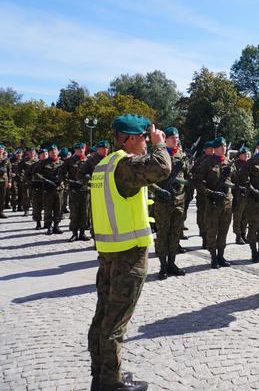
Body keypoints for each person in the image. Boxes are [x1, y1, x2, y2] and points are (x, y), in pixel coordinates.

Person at [88, 114, 170, 391]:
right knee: (115, 323)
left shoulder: (104, 164)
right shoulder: (123, 164)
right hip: (127, 255)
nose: (148, 142)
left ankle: (100, 376)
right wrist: (161, 145)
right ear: (132, 138)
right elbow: (161, 168)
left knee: (103, 318)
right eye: (145, 138)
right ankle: (111, 383)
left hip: (110, 253)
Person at [194, 136, 238, 269]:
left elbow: (235, 181)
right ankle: (213, 256)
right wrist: (210, 193)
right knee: (212, 231)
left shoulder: (230, 163)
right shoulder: (207, 163)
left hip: (226, 203)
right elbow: (198, 182)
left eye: (224, 146)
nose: (223, 148)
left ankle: (221, 256)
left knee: (224, 231)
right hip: (212, 203)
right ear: (215, 148)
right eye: (220, 147)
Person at [151, 127, 189, 278]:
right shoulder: (159, 155)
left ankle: (172, 263)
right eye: (172, 137)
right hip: (163, 202)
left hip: (179, 201)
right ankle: (163, 266)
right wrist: (158, 191)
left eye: (177, 137)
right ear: (165, 139)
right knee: (162, 235)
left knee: (175, 234)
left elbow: (186, 176)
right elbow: (149, 181)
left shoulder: (181, 155)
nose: (175, 140)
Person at [59, 142, 91, 241]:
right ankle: (74, 233)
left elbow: (94, 172)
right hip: (74, 189)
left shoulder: (89, 161)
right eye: (78, 149)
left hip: (85, 189)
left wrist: (88, 179)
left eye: (82, 149)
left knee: (85, 212)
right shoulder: (69, 161)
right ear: (75, 150)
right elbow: (62, 173)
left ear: (85, 149)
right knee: (74, 212)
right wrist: (67, 182)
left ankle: (82, 233)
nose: (80, 150)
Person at [36, 144, 65, 235]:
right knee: (48, 208)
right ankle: (49, 227)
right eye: (51, 151)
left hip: (59, 189)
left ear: (58, 151)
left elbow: (66, 174)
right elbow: (36, 173)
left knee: (58, 208)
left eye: (55, 150)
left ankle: (56, 225)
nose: (53, 152)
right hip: (48, 189)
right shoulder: (43, 163)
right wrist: (45, 180)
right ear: (49, 153)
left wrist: (61, 180)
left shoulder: (62, 163)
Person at [191, 141, 214, 248]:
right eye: (210, 148)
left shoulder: (216, 160)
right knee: (202, 216)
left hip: (213, 194)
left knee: (212, 218)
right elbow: (194, 175)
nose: (212, 149)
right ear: (205, 149)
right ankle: (205, 237)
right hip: (202, 194)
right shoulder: (200, 161)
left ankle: (211, 239)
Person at [232, 146, 250, 245]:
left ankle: (244, 233)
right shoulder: (235, 164)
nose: (245, 156)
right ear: (240, 155)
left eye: (247, 154)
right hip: (238, 193)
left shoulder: (249, 164)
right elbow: (233, 179)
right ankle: (238, 235)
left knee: (245, 216)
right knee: (238, 216)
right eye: (243, 154)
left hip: (248, 193)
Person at [30, 148, 47, 228]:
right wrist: (31, 182)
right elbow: (27, 175)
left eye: (46, 154)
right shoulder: (34, 165)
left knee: (48, 206)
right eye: (43, 154)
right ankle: (38, 222)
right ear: (39, 156)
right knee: (37, 206)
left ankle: (47, 222)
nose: (44, 156)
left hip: (48, 188)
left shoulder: (50, 164)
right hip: (38, 187)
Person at [18, 147, 37, 216]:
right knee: (26, 195)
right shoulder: (24, 161)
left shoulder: (37, 160)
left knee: (35, 195)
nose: (32, 153)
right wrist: (24, 177)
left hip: (35, 181)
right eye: (30, 152)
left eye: (33, 152)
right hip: (27, 181)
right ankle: (26, 209)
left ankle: (35, 210)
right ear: (28, 153)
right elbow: (19, 170)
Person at [0, 144, 11, 219]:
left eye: (2, 149)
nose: (1, 150)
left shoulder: (6, 159)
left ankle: (1, 212)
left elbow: (9, 171)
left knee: (2, 197)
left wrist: (10, 181)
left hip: (4, 180)